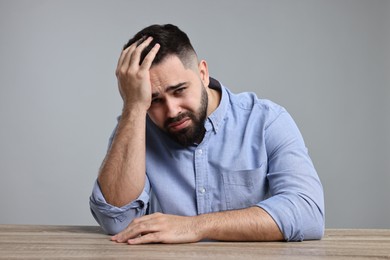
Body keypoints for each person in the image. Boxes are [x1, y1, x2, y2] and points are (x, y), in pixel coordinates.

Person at [89, 24, 324, 244]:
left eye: (179, 90)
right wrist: (133, 107)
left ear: (203, 73)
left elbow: (308, 212)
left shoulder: (266, 121)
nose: (172, 110)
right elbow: (115, 221)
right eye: (154, 100)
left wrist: (194, 227)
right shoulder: (135, 126)